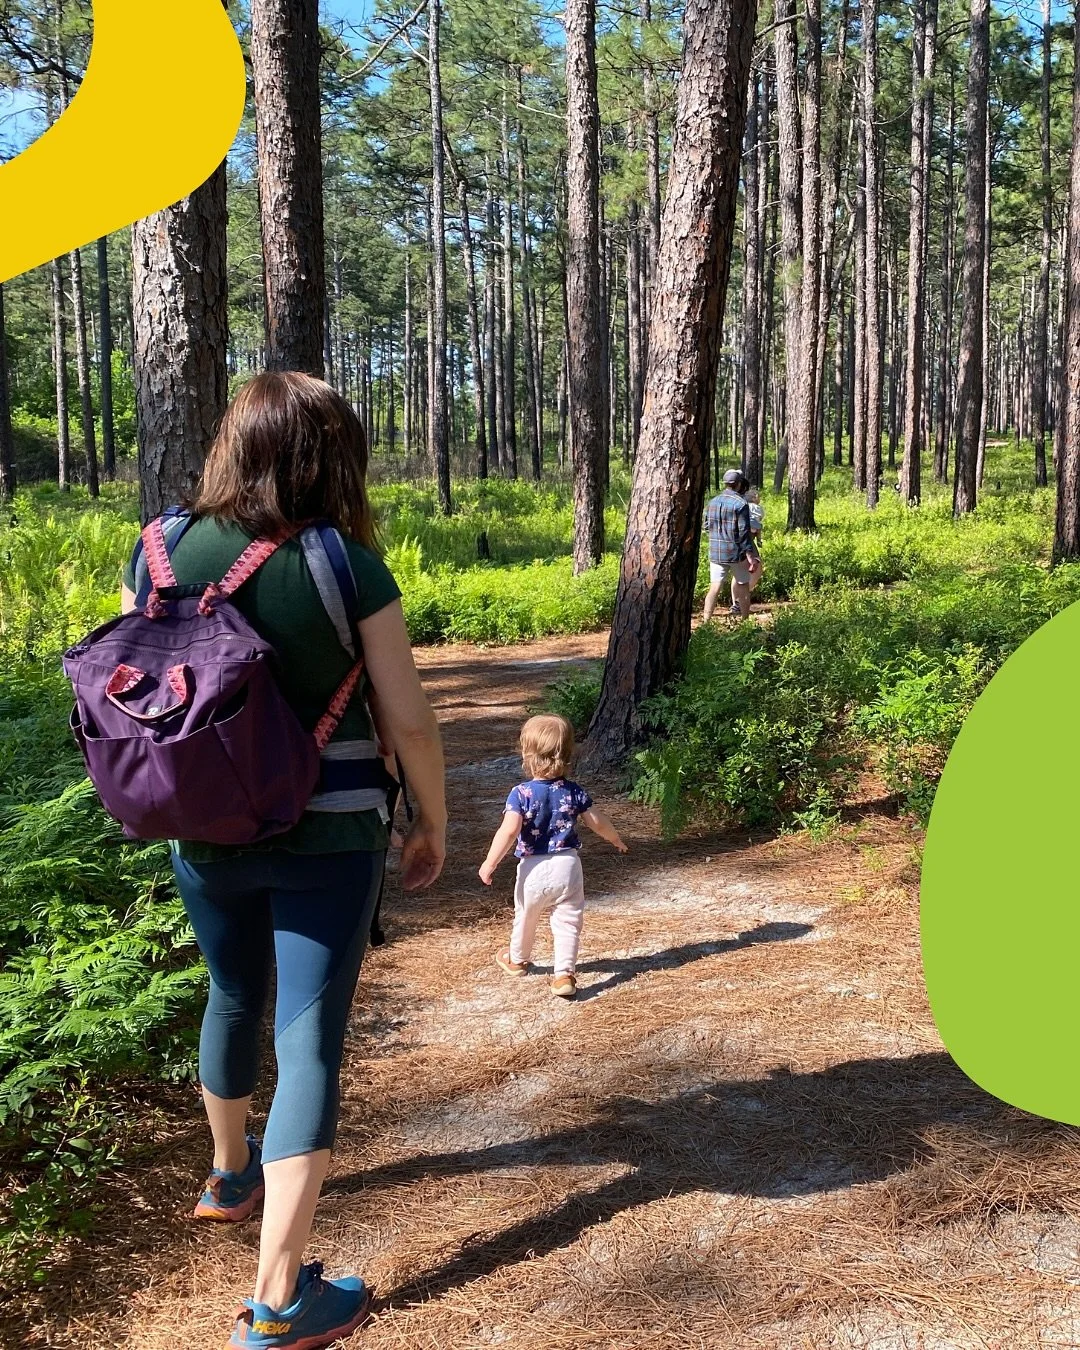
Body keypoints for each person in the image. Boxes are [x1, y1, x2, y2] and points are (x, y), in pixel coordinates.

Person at [120, 372, 446, 1350]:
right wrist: (430, 819)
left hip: (203, 826)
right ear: (327, 455)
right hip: (327, 833)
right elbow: (411, 719)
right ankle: (277, 1301)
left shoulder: (158, 547)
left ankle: (229, 1175)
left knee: (230, 995)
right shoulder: (343, 562)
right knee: (306, 1043)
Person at [479, 714, 627, 999]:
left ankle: (517, 960)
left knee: (526, 916)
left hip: (533, 868)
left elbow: (509, 831)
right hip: (567, 865)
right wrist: (615, 838)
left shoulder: (520, 793)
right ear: (568, 754)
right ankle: (564, 975)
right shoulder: (574, 792)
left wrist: (490, 862)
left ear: (527, 755)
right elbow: (597, 822)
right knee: (568, 920)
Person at [703, 469, 760, 624]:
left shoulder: (712, 502)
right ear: (739, 484)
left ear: (726, 483)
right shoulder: (741, 504)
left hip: (716, 553)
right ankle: (745, 622)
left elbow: (706, 526)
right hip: (736, 554)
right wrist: (750, 555)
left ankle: (706, 622)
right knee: (743, 585)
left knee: (714, 586)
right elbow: (743, 532)